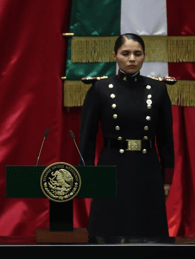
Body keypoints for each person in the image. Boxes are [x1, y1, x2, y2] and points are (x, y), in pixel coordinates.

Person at [79, 33, 174, 240]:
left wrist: (167, 180)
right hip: (111, 167)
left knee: (148, 235)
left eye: (137, 54)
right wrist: (88, 177)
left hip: (147, 167)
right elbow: (87, 137)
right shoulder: (100, 89)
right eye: (126, 53)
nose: (132, 59)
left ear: (144, 56)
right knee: (107, 233)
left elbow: (166, 140)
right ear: (115, 56)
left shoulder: (158, 89)